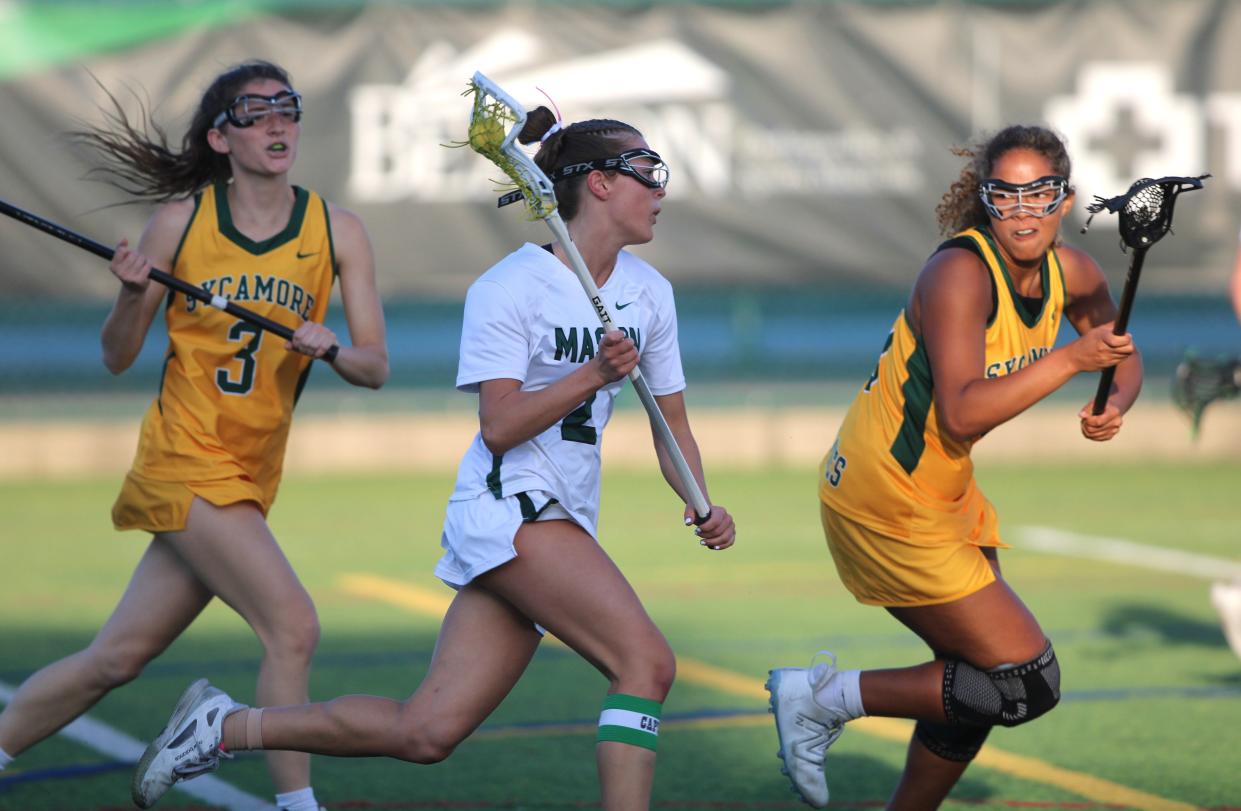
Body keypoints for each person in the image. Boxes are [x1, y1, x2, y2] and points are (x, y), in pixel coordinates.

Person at [126, 105, 736, 811]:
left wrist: (699, 499)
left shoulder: (647, 295)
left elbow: (671, 423)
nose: (659, 189)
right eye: (646, 172)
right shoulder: (507, 288)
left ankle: (225, 725)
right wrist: (591, 375)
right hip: (511, 508)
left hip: (564, 511)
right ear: (597, 184)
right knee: (645, 661)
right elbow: (500, 426)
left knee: (425, 730)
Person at [0, 60, 389, 811]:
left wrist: (332, 346)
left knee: (115, 658)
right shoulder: (181, 223)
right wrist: (130, 292)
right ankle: (295, 805)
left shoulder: (337, 230)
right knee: (293, 625)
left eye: (288, 108)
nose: (278, 124)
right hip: (184, 460)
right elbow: (117, 357)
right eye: (256, 113)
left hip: (249, 474)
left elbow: (374, 367)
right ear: (221, 137)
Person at [765, 124, 1143, 809]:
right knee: (1025, 682)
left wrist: (1112, 399)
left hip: (943, 490)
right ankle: (820, 697)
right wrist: (1067, 360)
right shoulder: (958, 272)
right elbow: (963, 411)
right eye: (1006, 194)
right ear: (986, 200)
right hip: (883, 494)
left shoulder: (1074, 272)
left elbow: (1119, 347)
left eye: (1040, 193)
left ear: (1065, 199)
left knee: (981, 682)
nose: (1024, 210)